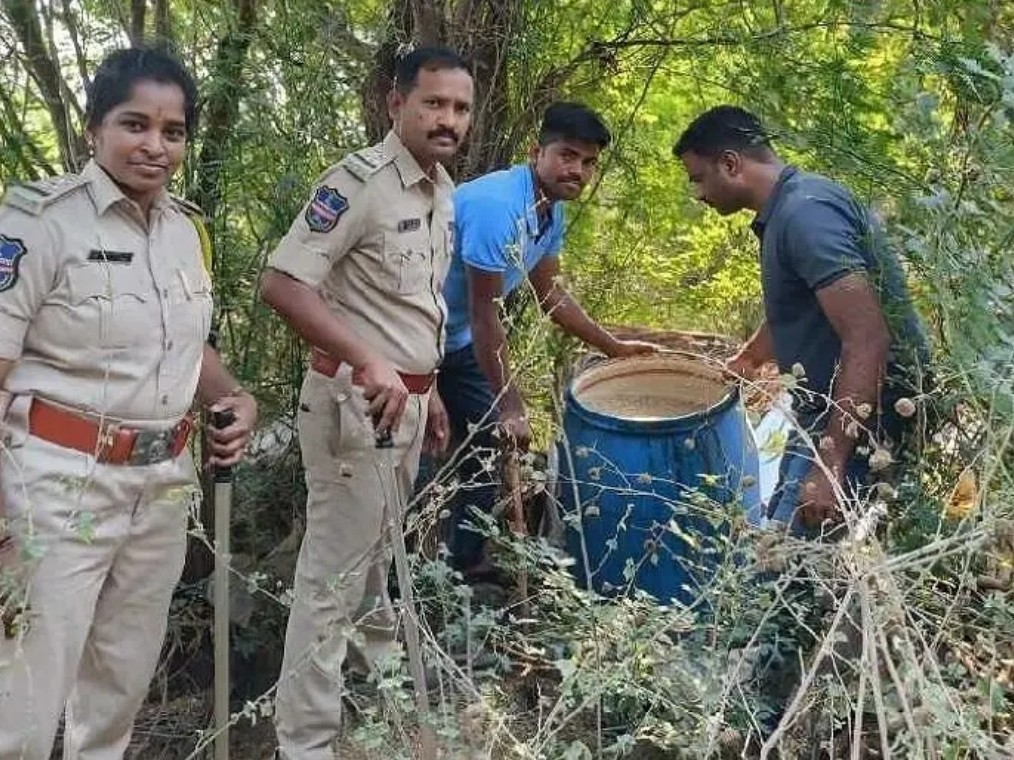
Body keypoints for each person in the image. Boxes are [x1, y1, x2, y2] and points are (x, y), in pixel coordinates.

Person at [0, 47, 257, 759]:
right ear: (93, 128)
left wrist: (233, 395)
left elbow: (180, 346)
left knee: (119, 682)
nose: (155, 145)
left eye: (173, 131)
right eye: (134, 124)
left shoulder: (185, 230)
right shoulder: (39, 222)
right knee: (22, 694)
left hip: (161, 486)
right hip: (54, 488)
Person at [259, 46, 473, 759]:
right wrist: (370, 361)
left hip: (406, 407)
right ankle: (306, 744)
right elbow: (284, 283)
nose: (448, 120)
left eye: (460, 108)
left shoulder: (442, 190)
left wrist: (430, 386)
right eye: (433, 103)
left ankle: (382, 713)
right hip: (354, 407)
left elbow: (410, 309)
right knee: (330, 581)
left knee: (376, 565)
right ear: (396, 104)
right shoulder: (358, 184)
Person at [673, 104, 931, 534]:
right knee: (783, 546)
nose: (698, 194)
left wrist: (829, 467)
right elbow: (800, 306)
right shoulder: (793, 206)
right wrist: (750, 358)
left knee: (792, 571)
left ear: (731, 164)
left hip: (867, 412)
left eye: (699, 178)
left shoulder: (805, 217)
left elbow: (868, 338)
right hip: (829, 408)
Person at [437, 102, 656, 575]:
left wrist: (613, 348)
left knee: (484, 446)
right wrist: (512, 403)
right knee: (424, 452)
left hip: (456, 341)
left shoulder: (548, 210)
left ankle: (463, 565)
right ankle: (400, 582)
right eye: (568, 155)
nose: (577, 170)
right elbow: (485, 315)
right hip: (413, 337)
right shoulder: (500, 207)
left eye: (588, 162)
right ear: (536, 151)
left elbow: (551, 295)